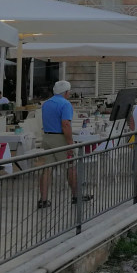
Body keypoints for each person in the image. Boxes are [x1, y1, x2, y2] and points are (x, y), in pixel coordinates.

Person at [37, 80, 90, 209]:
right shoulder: (65, 104)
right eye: (69, 91)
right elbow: (65, 124)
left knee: (47, 169)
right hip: (60, 138)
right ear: (66, 92)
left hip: (47, 137)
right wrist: (70, 143)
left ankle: (43, 199)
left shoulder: (46, 104)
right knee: (71, 166)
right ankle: (76, 196)